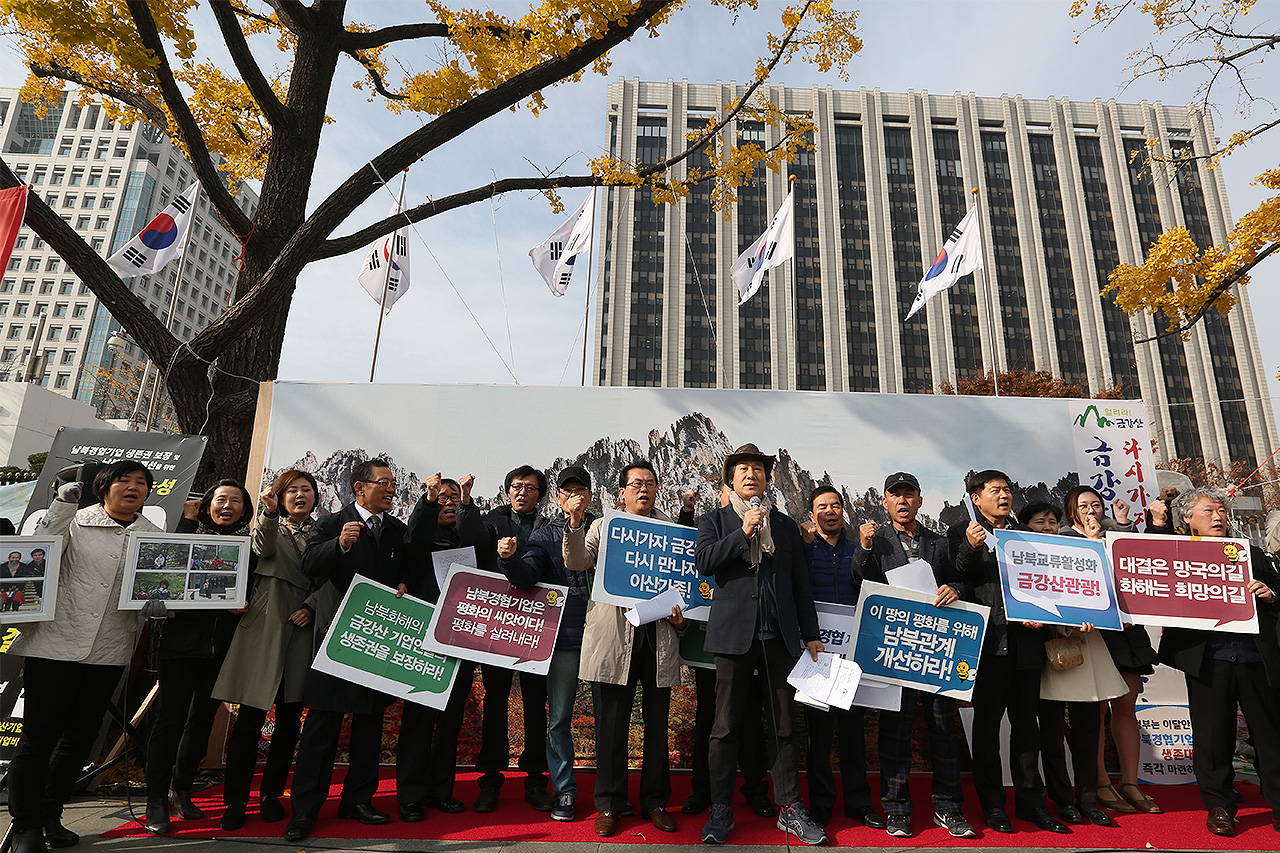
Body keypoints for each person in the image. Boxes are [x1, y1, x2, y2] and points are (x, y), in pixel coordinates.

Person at [5, 461, 161, 853]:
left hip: (108, 650)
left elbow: (156, 583)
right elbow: (40, 549)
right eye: (124, 480)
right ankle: (25, 826)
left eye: (141, 482)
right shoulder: (73, 520)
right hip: (54, 646)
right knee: (38, 739)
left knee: (79, 739)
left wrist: (161, 600)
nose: (133, 487)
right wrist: (61, 503)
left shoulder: (153, 536)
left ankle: (52, 813)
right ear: (103, 487)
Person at [695, 443, 826, 846]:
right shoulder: (714, 520)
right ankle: (721, 809)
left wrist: (812, 633)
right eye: (743, 469)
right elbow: (705, 562)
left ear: (767, 480)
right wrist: (744, 532)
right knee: (725, 727)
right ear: (730, 480)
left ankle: (791, 808)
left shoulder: (784, 526)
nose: (751, 474)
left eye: (758, 469)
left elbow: (799, 584)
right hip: (734, 636)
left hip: (780, 636)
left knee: (785, 726)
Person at [285, 459, 412, 842]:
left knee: (369, 726)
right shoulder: (331, 523)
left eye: (393, 484)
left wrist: (404, 584)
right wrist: (339, 545)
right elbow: (309, 563)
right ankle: (306, 809)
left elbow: (404, 570)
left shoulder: (396, 530)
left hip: (377, 642)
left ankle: (358, 799)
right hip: (337, 639)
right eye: (384, 483)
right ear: (360, 487)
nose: (391, 489)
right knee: (322, 727)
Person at [562, 460, 690, 837]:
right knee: (613, 727)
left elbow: (685, 583)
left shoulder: (672, 531)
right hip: (615, 637)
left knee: (657, 726)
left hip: (658, 638)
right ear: (621, 492)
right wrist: (574, 523)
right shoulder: (605, 526)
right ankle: (609, 804)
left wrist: (682, 616)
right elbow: (576, 560)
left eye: (650, 483)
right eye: (636, 484)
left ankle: (655, 802)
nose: (644, 490)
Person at [852, 472, 972, 839]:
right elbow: (859, 582)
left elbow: (963, 579)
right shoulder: (876, 541)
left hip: (937, 650)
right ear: (885, 502)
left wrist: (955, 588)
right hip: (894, 649)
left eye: (909, 495)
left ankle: (949, 808)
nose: (902, 502)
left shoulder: (940, 541)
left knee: (942, 730)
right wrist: (865, 548)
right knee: (895, 732)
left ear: (920, 500)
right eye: (895, 496)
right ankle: (897, 809)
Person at [1157, 487, 1280, 838]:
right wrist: (1158, 519)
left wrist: (1270, 595)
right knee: (1212, 739)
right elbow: (1148, 571)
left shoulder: (1250, 553)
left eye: (1222, 511)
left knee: (1270, 736)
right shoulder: (1175, 554)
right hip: (1207, 658)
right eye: (1208, 511)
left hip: (1256, 657)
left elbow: (1279, 588)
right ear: (1188, 519)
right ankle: (1220, 807)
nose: (1218, 517)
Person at [950, 469, 1066, 834]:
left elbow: (1046, 584)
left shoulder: (1024, 536)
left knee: (1027, 728)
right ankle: (993, 805)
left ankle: (1032, 803)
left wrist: (1040, 616)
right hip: (988, 646)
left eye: (1007, 490)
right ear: (976, 498)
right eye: (995, 491)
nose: (1004, 496)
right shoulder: (960, 533)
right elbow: (956, 578)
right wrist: (970, 546)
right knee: (985, 728)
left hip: (1027, 645)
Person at [212, 470, 320, 830]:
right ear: (281, 496)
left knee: (290, 721)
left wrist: (313, 606)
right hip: (264, 625)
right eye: (292, 490)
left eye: (307, 490)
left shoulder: (325, 534)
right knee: (249, 720)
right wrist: (269, 513)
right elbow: (263, 548)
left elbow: (333, 578)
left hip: (301, 628)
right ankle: (235, 801)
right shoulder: (270, 524)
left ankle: (271, 795)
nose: (300, 495)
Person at [144, 479, 254, 833]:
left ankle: (182, 789)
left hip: (221, 647)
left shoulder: (247, 546)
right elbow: (165, 570)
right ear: (207, 505)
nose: (228, 506)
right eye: (221, 499)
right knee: (170, 721)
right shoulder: (187, 534)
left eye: (236, 501)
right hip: (180, 646)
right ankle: (155, 799)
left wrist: (242, 605)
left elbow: (251, 589)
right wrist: (189, 523)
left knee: (201, 721)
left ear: (245, 510)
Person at [498, 465, 599, 822]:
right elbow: (526, 577)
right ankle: (566, 791)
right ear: (557, 498)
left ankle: (609, 794)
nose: (574, 497)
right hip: (565, 641)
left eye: (580, 490)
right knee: (559, 719)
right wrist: (509, 560)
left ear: (590, 495)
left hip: (605, 639)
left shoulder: (606, 529)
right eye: (566, 491)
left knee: (606, 718)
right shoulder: (544, 536)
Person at [1057, 485, 1166, 816]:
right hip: (1092, 634)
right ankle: (1101, 782)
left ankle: (1130, 783)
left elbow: (1140, 573)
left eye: (1096, 504)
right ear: (1071, 511)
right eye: (1083, 505)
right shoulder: (1062, 539)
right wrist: (1092, 543)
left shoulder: (1117, 534)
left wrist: (1122, 525)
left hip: (1126, 633)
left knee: (1125, 707)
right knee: (1095, 713)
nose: (1091, 510)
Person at [1019, 501, 1126, 828]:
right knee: (1051, 735)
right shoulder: (1021, 561)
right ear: (1026, 529)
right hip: (1048, 655)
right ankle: (1063, 801)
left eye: (1052, 521)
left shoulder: (1078, 555)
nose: (1049, 527)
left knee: (1088, 731)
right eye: (1040, 522)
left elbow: (1104, 590)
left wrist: (1094, 616)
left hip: (1084, 650)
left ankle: (1089, 799)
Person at [454, 465, 552, 813]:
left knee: (535, 702)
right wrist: (466, 501)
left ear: (540, 494)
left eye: (529, 487)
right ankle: (491, 779)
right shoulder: (494, 520)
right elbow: (471, 537)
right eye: (515, 486)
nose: (521, 492)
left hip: (536, 627)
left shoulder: (548, 526)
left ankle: (536, 779)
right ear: (507, 491)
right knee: (495, 700)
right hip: (497, 624)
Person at [684, 484, 774, 823]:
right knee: (711, 716)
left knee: (751, 717)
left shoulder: (765, 524)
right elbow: (702, 560)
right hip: (706, 637)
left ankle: (755, 789)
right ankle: (702, 791)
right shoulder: (710, 524)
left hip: (751, 633)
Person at [798, 485, 885, 831]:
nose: (830, 511)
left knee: (853, 733)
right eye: (822, 507)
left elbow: (874, 587)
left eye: (836, 505)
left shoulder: (857, 548)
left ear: (843, 511)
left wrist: (864, 549)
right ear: (811, 514)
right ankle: (820, 805)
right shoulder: (804, 549)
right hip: (815, 652)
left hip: (852, 654)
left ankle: (859, 803)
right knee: (818, 736)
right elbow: (796, 585)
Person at [395, 472, 479, 820]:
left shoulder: (470, 536)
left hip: (463, 637)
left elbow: (485, 543)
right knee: (418, 717)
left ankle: (441, 790)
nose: (448, 502)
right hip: (423, 637)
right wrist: (427, 502)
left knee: (450, 720)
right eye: (441, 497)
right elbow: (412, 541)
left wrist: (468, 506)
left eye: (453, 498)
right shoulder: (418, 537)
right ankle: (410, 796)